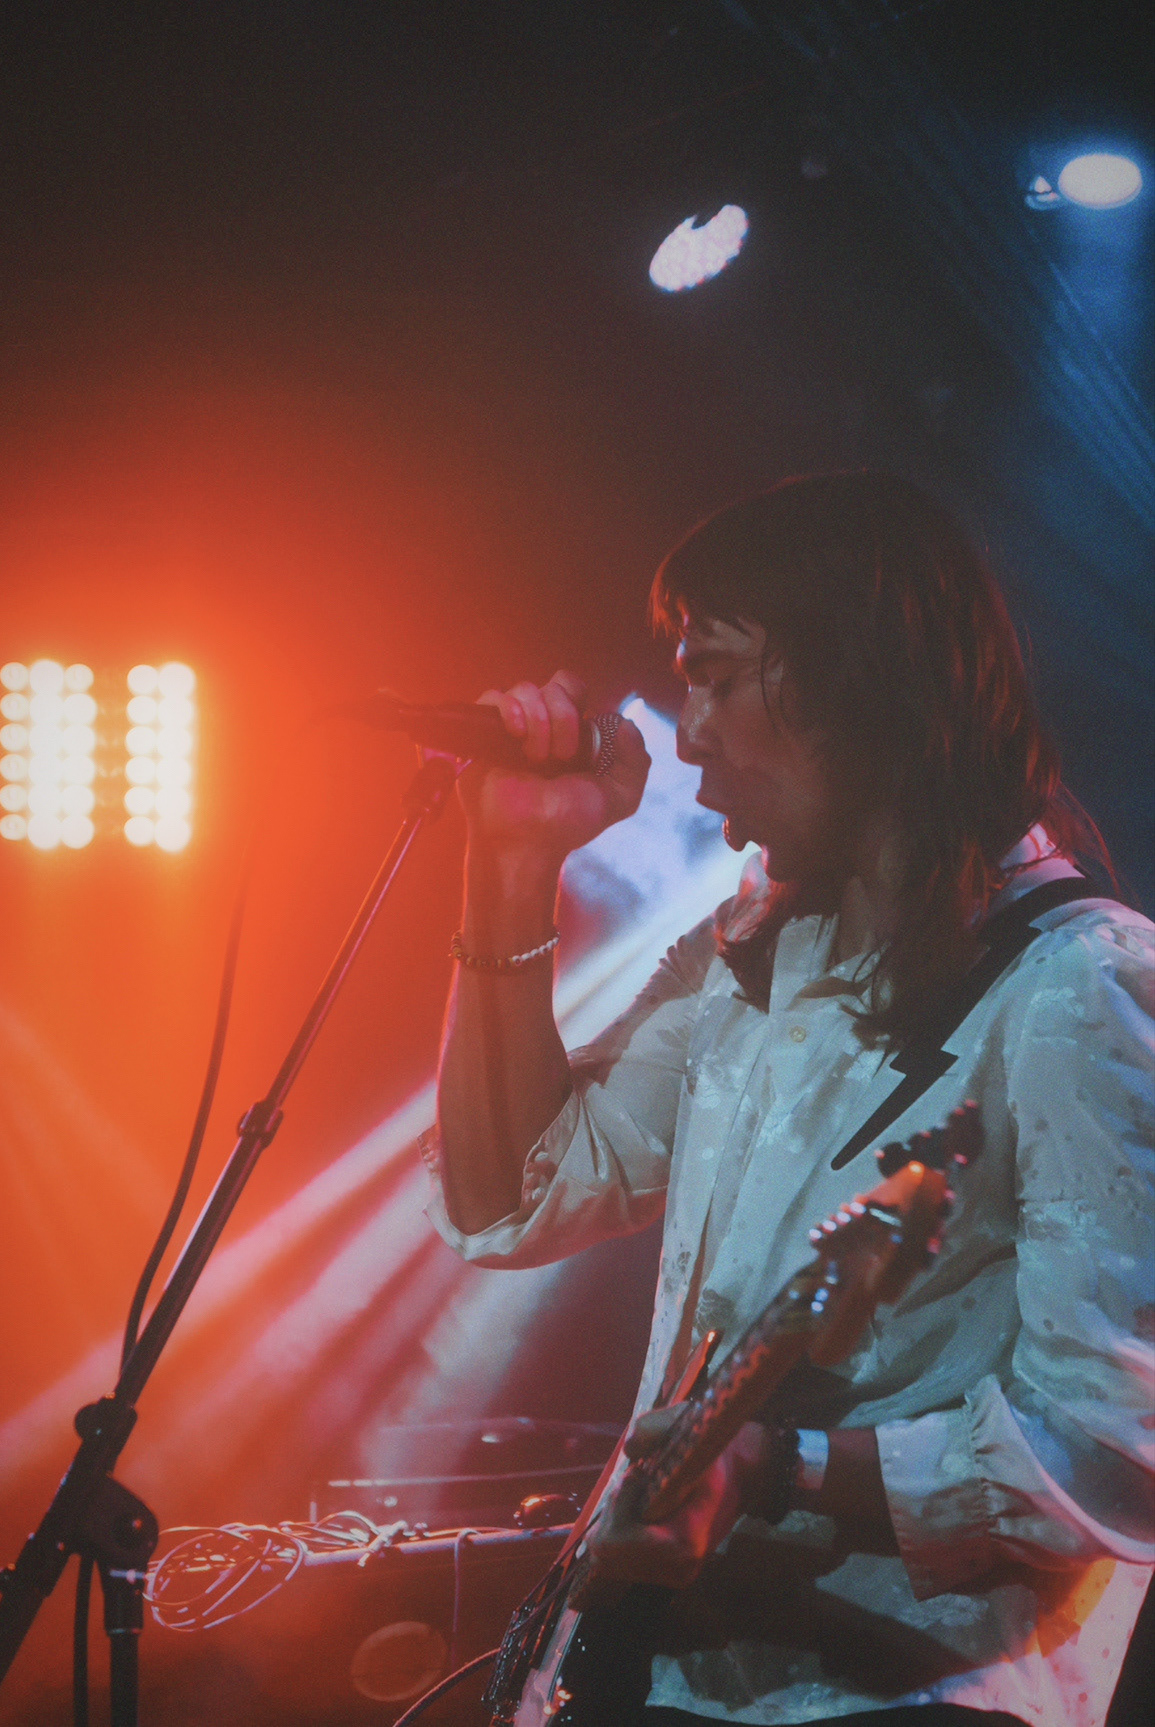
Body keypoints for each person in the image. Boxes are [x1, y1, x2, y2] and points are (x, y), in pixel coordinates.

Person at [419, 473, 1154, 1727]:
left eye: (716, 676)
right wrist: (510, 862)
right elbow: (508, 1199)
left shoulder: (1084, 982)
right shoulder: (749, 947)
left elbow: (1113, 1451)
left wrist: (784, 1466)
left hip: (902, 1693)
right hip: (648, 1676)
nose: (687, 732)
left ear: (863, 680)